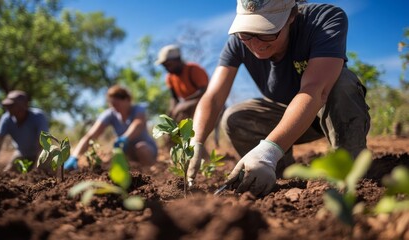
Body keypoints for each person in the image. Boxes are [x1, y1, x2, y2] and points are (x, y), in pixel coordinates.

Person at [187, 0, 370, 197]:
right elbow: (213, 97)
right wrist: (196, 141)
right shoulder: (238, 43)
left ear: (292, 16)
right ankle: (276, 174)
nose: (255, 43)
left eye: (267, 32)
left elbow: (317, 90)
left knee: (340, 81)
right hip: (283, 116)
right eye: (246, 33)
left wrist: (269, 150)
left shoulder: (323, 20)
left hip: (326, 111)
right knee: (235, 117)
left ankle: (349, 169)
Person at [63, 85, 157, 170]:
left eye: (117, 104)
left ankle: (152, 172)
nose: (115, 108)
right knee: (110, 162)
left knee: (141, 148)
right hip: (127, 152)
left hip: (147, 149)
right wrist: (74, 156)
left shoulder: (138, 109)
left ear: (127, 100)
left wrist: (125, 138)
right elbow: (90, 135)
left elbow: (138, 124)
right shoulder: (110, 114)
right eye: (112, 105)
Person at [0, 90, 49, 175]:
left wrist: (36, 168)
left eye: (11, 106)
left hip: (41, 154)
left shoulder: (38, 116)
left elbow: (43, 144)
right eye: (7, 106)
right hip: (22, 153)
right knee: (7, 174)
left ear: (23, 106)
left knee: (42, 174)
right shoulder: (6, 118)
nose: (8, 108)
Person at [155, 44, 209, 123]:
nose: (166, 68)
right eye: (164, 66)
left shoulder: (193, 69)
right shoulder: (170, 77)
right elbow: (174, 98)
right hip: (186, 105)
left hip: (205, 102)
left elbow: (206, 91)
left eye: (168, 64)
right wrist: (172, 111)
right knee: (172, 122)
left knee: (184, 111)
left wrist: (185, 104)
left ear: (178, 59)